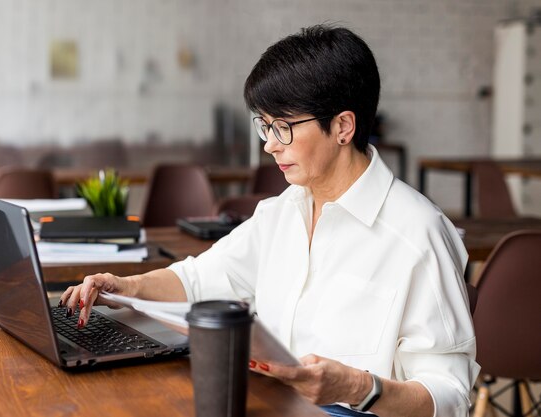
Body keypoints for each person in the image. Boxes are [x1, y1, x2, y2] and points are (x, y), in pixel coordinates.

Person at [60, 25, 479, 417]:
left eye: (283, 127)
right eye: (265, 126)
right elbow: (198, 279)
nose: (269, 146)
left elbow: (452, 395)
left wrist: (358, 388)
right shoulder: (281, 213)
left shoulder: (417, 233)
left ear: (343, 127)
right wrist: (126, 286)